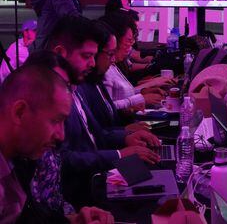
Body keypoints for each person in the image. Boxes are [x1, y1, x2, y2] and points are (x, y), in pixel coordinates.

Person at [46, 16, 160, 208]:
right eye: (86, 56)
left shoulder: (76, 87)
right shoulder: (50, 96)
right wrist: (118, 155)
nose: (91, 64)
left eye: (93, 56)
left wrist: (125, 138)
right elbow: (63, 160)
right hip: (84, 192)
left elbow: (96, 134)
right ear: (60, 53)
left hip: (96, 180)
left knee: (158, 182)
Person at [0, 63, 113, 223]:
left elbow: (27, 218)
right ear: (20, 112)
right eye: (55, 121)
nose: (61, 136)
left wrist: (72, 221)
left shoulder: (19, 158)